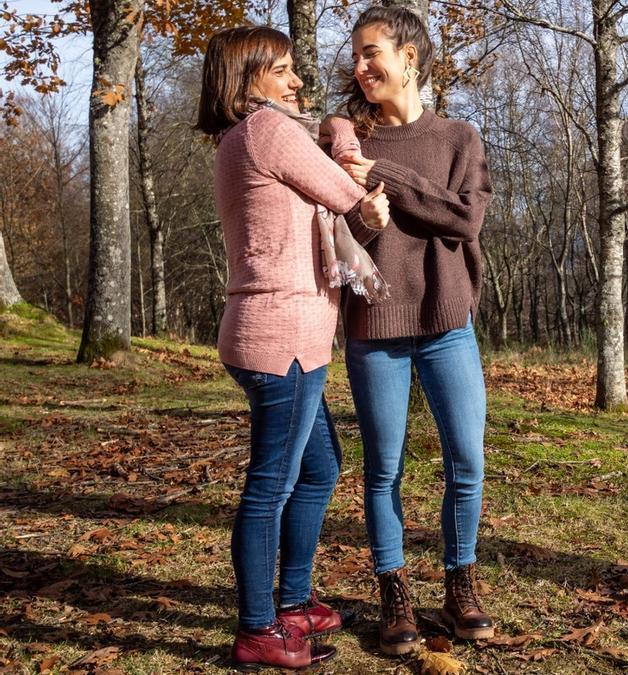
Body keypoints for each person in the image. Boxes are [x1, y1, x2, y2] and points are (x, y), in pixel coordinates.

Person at [195, 25, 390, 670]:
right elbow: (351, 199)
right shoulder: (267, 132)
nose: (296, 80)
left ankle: (293, 602)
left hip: (273, 331)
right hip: (282, 338)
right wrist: (341, 134)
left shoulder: (240, 139)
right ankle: (258, 629)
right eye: (281, 70)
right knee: (270, 486)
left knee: (319, 470)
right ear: (247, 78)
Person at [323, 5, 493, 655]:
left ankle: (459, 582)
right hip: (375, 324)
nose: (360, 67)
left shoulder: (459, 138)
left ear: (411, 56)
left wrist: (385, 178)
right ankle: (394, 589)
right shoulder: (345, 145)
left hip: (448, 321)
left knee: (468, 460)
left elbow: (462, 220)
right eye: (356, 56)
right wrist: (365, 216)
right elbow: (337, 244)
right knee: (383, 468)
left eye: (373, 53)